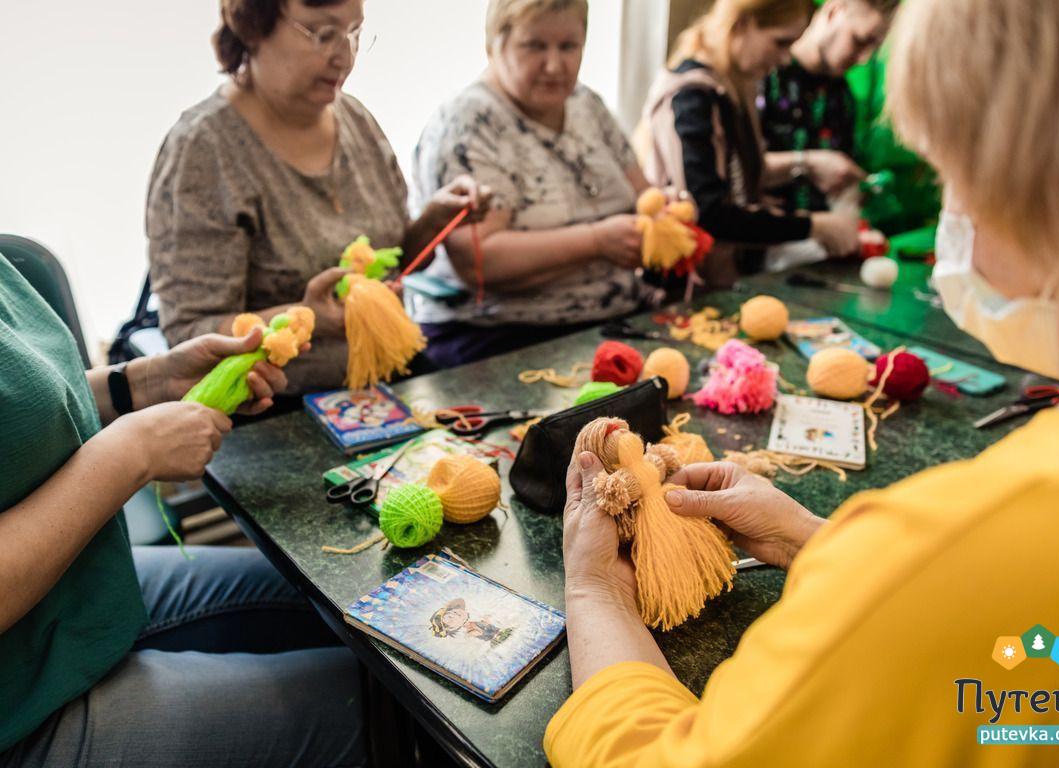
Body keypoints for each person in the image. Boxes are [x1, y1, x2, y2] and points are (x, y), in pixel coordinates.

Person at [546, 0, 1059, 764]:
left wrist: (594, 587)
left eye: (948, 171)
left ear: (1031, 181)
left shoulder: (946, 549)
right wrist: (814, 540)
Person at [0, 254, 365, 766]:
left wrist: (142, 384)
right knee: (376, 704)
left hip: (72, 595)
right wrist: (133, 454)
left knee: (347, 601)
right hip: (22, 716)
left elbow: (21, 406)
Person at [148, 0, 490, 392]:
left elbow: (390, 267)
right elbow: (190, 333)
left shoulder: (356, 120)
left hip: (391, 385)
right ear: (255, 24)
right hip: (279, 406)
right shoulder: (204, 151)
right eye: (323, 33)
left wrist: (434, 221)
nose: (345, 56)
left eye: (355, 33)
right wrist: (303, 316)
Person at [411, 0, 652, 368]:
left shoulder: (587, 103)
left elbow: (643, 193)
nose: (555, 65)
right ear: (494, 43)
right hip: (503, 339)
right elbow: (479, 261)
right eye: (535, 46)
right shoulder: (469, 123)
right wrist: (597, 241)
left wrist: (664, 208)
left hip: (613, 320)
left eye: (568, 46)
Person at [639, 0, 861, 286]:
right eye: (781, 43)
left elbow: (737, 173)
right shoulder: (692, 96)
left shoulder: (733, 86)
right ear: (742, 24)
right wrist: (814, 226)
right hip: (683, 285)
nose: (785, 58)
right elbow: (709, 213)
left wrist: (807, 164)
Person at [759, 0, 897, 215]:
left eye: (874, 48)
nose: (864, 59)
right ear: (834, 11)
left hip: (820, 243)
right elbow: (733, 169)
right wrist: (810, 164)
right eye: (859, 41)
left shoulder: (843, 98)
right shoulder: (766, 73)